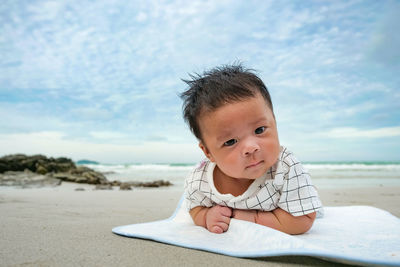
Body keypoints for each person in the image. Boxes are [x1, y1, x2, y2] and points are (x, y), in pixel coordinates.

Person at [180, 64, 323, 235]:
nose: (250, 148)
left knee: (305, 199)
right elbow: (194, 208)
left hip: (292, 200)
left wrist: (252, 219)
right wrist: (206, 216)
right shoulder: (199, 180)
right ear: (208, 152)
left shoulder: (285, 168)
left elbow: (302, 220)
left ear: (274, 122)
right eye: (231, 141)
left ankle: (310, 191)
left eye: (260, 130)